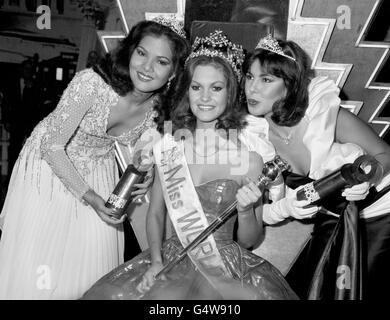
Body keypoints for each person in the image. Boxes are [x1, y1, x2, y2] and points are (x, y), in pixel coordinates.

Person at [82, 30, 298, 300]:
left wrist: (244, 210)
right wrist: (157, 261)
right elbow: (156, 214)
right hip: (171, 256)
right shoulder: (170, 148)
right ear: (187, 91)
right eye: (196, 87)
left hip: (225, 266)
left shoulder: (250, 161)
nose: (205, 97)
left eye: (216, 88)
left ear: (230, 92)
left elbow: (250, 240)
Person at [0, 17, 189, 299]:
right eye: (142, 53)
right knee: (42, 259)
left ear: (173, 72)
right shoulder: (91, 83)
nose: (147, 67)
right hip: (48, 163)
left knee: (91, 260)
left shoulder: (159, 107)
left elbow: (139, 149)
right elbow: (52, 145)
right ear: (130, 51)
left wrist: (147, 174)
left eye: (161, 61)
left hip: (99, 168)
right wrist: (88, 196)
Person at [241, 34, 390, 299]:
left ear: (289, 85)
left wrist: (367, 178)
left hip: (381, 211)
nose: (251, 89)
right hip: (335, 218)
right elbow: (256, 211)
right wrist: (285, 207)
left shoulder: (322, 112)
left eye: (266, 79)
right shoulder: (253, 136)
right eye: (249, 77)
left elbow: (383, 152)